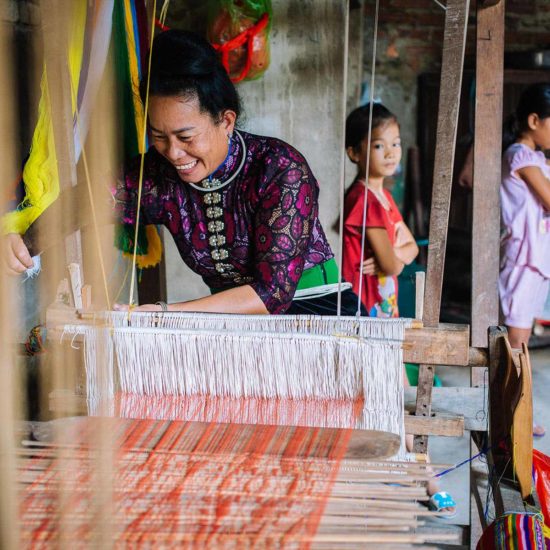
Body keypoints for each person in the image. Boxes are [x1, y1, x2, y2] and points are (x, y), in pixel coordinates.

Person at [3, 29, 362, 317]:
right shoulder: (159, 177)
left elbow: (273, 295)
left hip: (318, 321)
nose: (174, 153)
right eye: (159, 137)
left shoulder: (280, 170)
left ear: (225, 121)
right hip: (231, 332)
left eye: (186, 137)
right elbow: (84, 202)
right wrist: (25, 244)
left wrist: (164, 314)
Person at [500, 83, 550, 437]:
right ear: (534, 120)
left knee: (521, 340)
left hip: (534, 258)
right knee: (514, 341)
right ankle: (511, 415)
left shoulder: (536, 158)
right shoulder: (521, 155)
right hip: (522, 258)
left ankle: (515, 412)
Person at [342, 103, 418, 317]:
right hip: (364, 307)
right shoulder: (365, 201)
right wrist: (395, 260)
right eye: (378, 146)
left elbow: (413, 248)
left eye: (396, 144)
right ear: (355, 152)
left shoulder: (384, 197)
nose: (390, 153)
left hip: (382, 301)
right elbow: (392, 265)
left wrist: (394, 258)